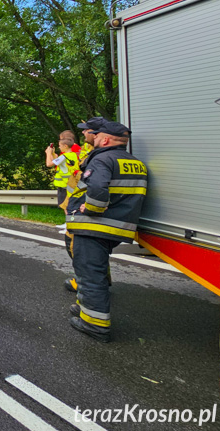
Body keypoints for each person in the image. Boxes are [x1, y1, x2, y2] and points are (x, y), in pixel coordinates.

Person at [65, 121, 147, 342]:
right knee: (92, 270)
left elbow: (98, 188)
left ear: (106, 139)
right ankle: (85, 307)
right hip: (118, 225)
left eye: (97, 135)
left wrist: (90, 208)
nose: (93, 137)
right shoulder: (135, 162)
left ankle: (94, 324)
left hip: (95, 225)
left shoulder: (102, 158)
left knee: (90, 273)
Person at [62, 116, 108, 293]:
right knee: (93, 249)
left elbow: (92, 181)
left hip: (85, 207)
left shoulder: (98, 153)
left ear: (97, 133)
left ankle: (85, 281)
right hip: (79, 203)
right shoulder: (89, 149)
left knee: (77, 244)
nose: (83, 132)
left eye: (86, 130)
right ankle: (100, 278)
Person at [46, 132, 80, 214]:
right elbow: (58, 162)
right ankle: (69, 223)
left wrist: (48, 153)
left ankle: (68, 224)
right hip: (71, 183)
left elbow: (49, 164)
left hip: (63, 184)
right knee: (70, 204)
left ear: (65, 146)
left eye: (60, 146)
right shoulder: (73, 155)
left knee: (65, 206)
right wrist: (53, 154)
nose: (59, 147)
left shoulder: (64, 156)